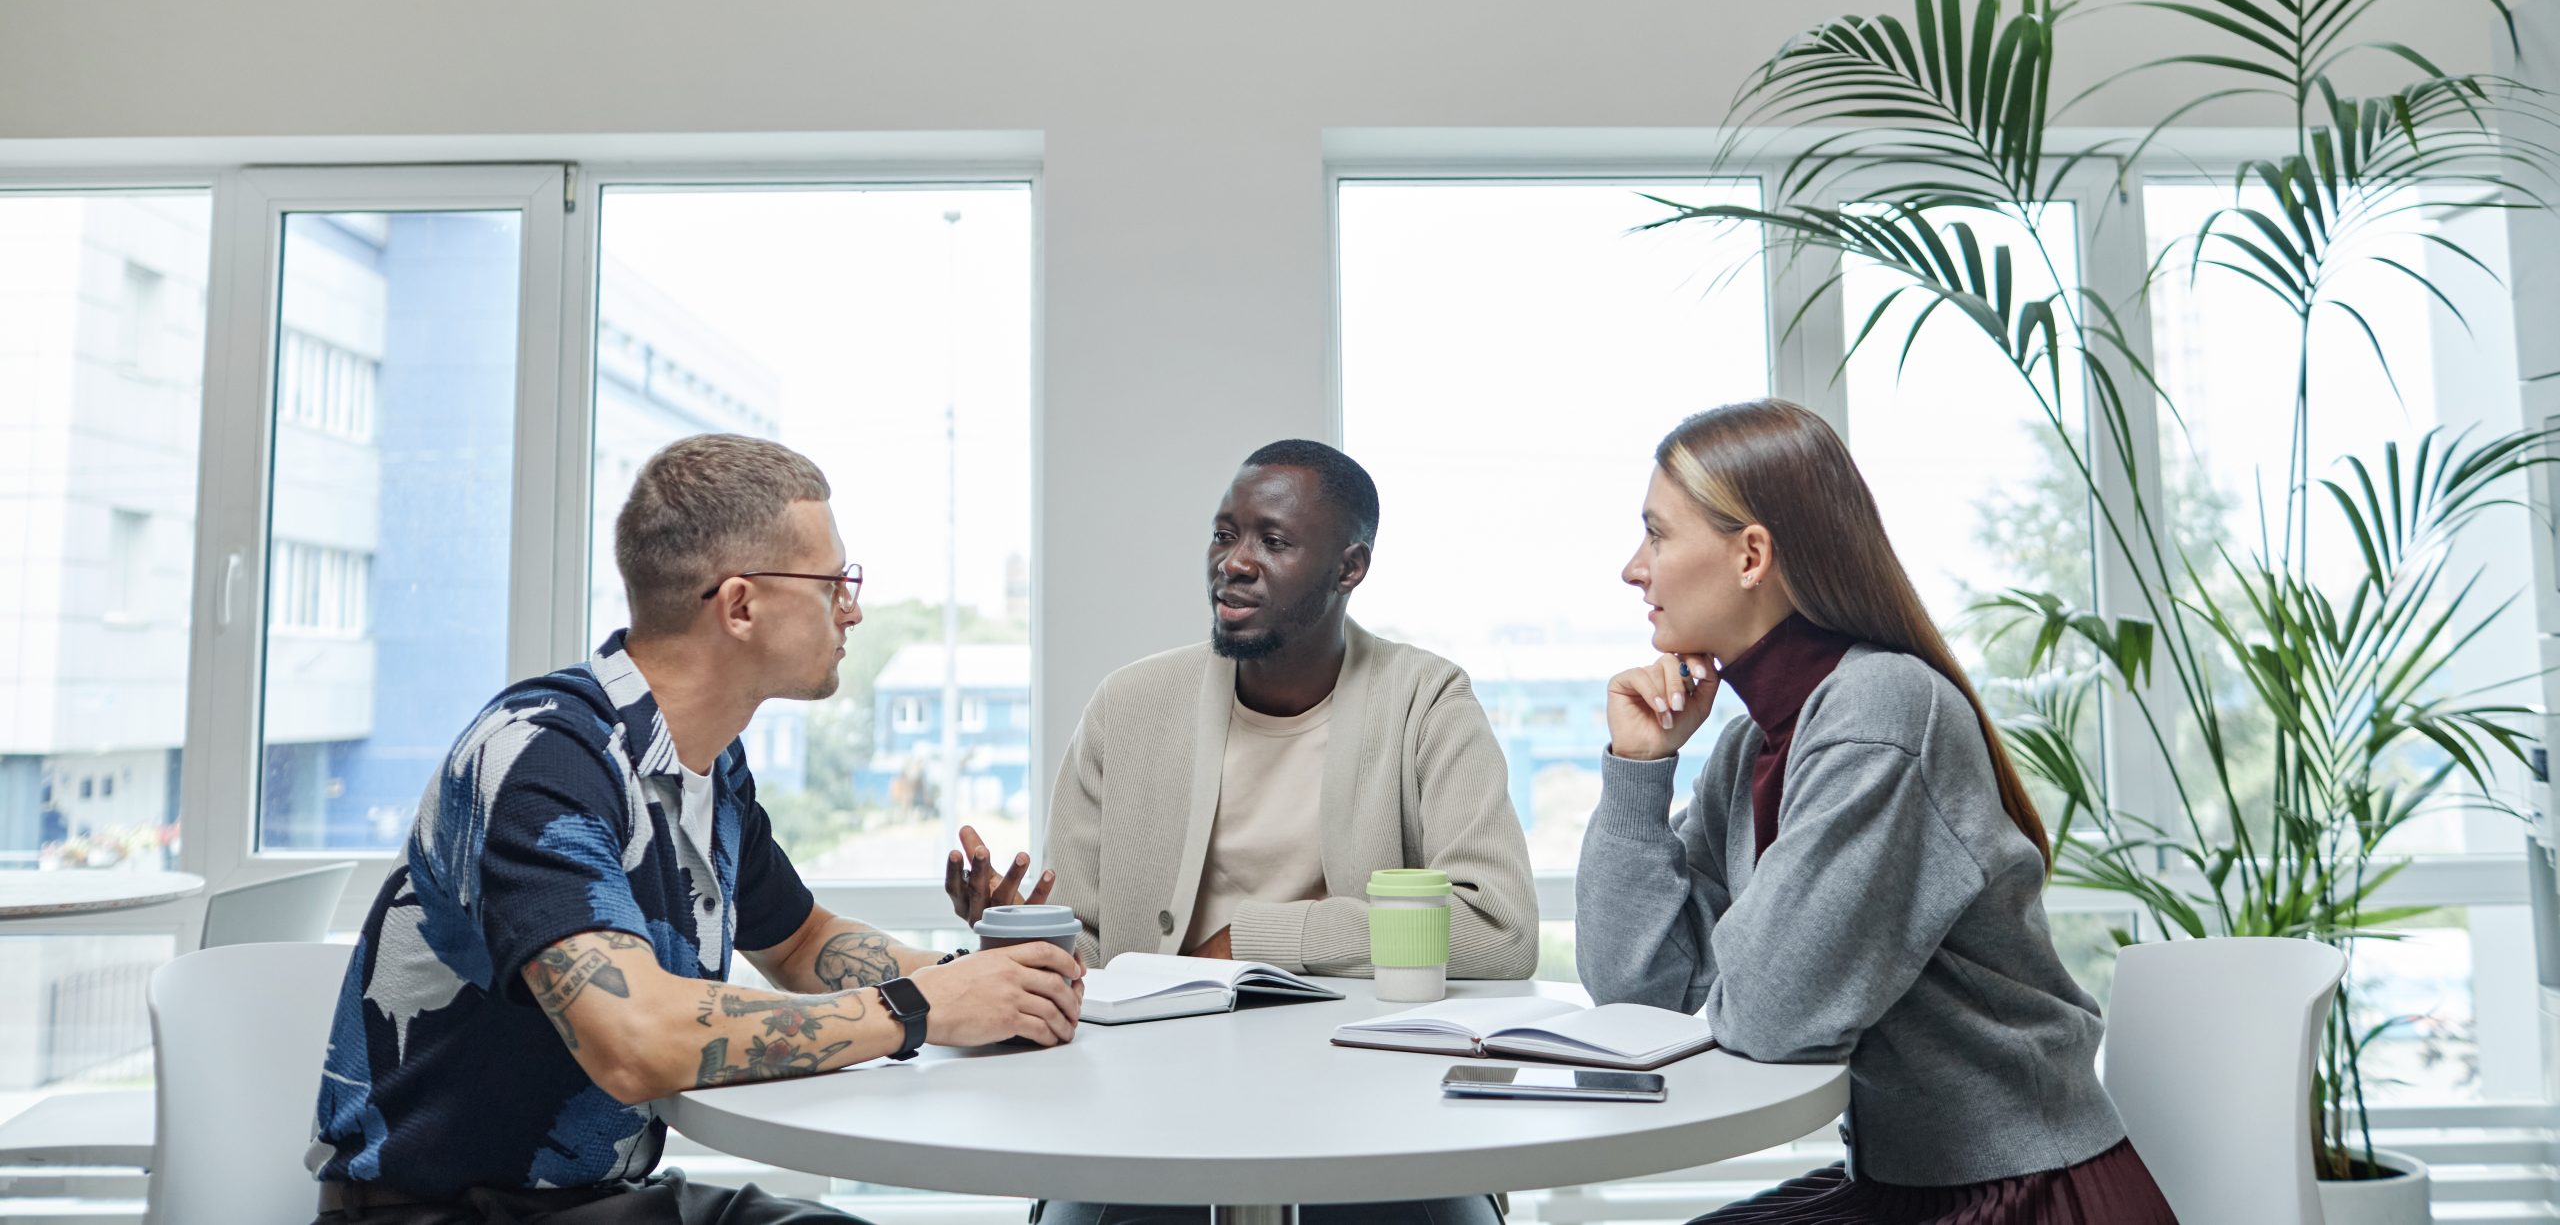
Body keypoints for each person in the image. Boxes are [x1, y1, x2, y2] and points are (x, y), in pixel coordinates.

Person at [309, 434, 1084, 1225]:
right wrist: (917, 1005)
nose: (852, 608)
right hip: (439, 1213)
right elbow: (633, 1039)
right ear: (740, 605)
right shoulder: (541, 757)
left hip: (600, 1204)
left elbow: (800, 941)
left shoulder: (708, 765)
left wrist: (986, 980)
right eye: (834, 583)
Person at [1575, 399, 2176, 1225]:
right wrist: (1638, 772)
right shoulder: (1753, 746)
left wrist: (1729, 975)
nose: (1633, 568)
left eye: (1656, 534)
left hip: (2026, 1194)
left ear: (1751, 555)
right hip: (1909, 1182)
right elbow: (1637, 992)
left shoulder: (1881, 709)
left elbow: (1773, 1016)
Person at [947, 438, 1536, 979]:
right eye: (1224, 535)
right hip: (1158, 1047)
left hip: (1350, 1049)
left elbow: (1499, 931)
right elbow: (1090, 961)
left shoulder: (1427, 703)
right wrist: (1021, 937)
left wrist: (1246, 941)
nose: (1233, 563)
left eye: (1273, 542)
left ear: (1349, 568)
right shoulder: (1126, 707)